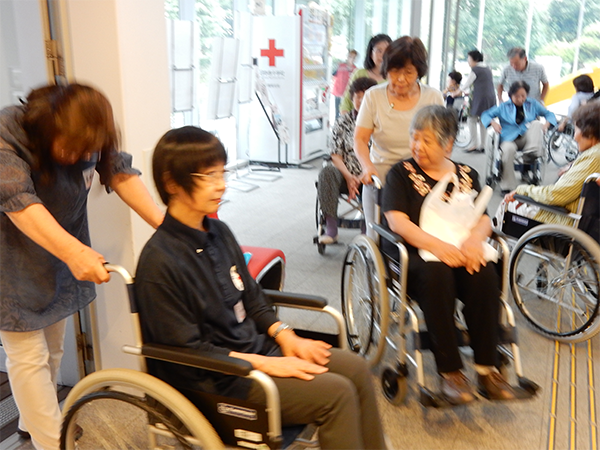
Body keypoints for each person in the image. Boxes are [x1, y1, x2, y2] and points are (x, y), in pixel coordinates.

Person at [134, 126, 388, 450]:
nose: (221, 184)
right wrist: (270, 364)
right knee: (336, 394)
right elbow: (187, 353)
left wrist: (286, 336)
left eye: (221, 173)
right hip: (217, 380)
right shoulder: (159, 262)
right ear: (172, 182)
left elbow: (251, 295)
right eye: (208, 176)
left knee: (355, 368)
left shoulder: (217, 231)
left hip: (253, 353)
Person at [0, 83, 164, 450]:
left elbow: (117, 169)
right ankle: (51, 443)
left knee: (54, 348)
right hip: (7, 263)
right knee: (28, 355)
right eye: (71, 149)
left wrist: (165, 224)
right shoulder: (6, 134)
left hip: (54, 253)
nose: (80, 157)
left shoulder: (86, 135)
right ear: (45, 131)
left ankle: (32, 423)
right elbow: (18, 200)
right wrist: (75, 253)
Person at [382, 105, 516, 405]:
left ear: (448, 144)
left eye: (426, 141)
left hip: (460, 248)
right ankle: (451, 373)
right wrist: (437, 247)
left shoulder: (467, 174)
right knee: (437, 274)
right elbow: (397, 222)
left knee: (483, 275)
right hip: (414, 252)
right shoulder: (401, 174)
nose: (417, 146)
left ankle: (487, 368)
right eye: (414, 138)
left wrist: (473, 241)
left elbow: (483, 217)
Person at [354, 36, 444, 238]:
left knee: (423, 237)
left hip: (422, 178)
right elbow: (360, 139)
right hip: (381, 177)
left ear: (419, 72)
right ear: (386, 69)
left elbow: (442, 141)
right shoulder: (373, 97)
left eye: (409, 72)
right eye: (395, 71)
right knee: (377, 238)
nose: (401, 79)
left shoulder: (433, 98)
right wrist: (368, 167)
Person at [499, 101, 600, 227]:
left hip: (560, 223)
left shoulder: (593, 157)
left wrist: (523, 190)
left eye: (576, 130)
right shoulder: (593, 155)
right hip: (576, 220)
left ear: (589, 132)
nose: (574, 137)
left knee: (506, 206)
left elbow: (555, 195)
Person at [318, 77, 377, 244]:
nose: (361, 100)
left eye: (366, 96)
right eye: (358, 96)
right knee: (327, 172)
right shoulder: (342, 122)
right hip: (344, 174)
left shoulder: (380, 123)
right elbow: (335, 154)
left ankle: (368, 227)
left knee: (379, 177)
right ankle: (331, 228)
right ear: (352, 99)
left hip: (370, 175)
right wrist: (350, 177)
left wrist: (361, 176)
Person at [481, 80, 557, 193]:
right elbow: (485, 114)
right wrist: (493, 122)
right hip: (508, 139)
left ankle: (531, 154)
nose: (521, 99)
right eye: (517, 96)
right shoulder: (503, 107)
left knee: (536, 123)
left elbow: (549, 114)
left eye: (523, 96)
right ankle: (508, 186)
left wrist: (546, 124)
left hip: (527, 139)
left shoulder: (532, 104)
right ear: (511, 95)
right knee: (508, 150)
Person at [339, 34, 392, 115]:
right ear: (371, 54)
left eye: (387, 51)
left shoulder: (393, 78)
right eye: (379, 51)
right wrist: (347, 123)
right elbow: (346, 103)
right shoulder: (359, 73)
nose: (382, 55)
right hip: (355, 123)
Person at [460, 50, 496, 152]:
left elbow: (467, 84)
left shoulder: (476, 70)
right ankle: (483, 145)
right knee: (483, 120)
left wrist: (457, 92)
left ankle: (474, 144)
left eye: (469, 58)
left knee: (471, 119)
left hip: (480, 98)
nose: (468, 61)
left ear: (474, 59)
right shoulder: (487, 68)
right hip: (490, 97)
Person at [332, 49, 358, 119]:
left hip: (347, 94)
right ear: (347, 57)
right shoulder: (340, 66)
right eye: (350, 57)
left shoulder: (356, 70)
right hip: (338, 92)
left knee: (346, 113)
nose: (351, 59)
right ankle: (337, 127)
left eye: (354, 57)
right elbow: (333, 76)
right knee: (337, 112)